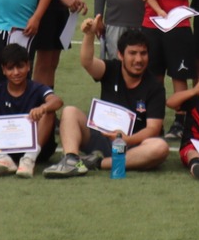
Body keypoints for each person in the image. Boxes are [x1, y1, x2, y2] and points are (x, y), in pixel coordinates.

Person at [45, 28, 170, 178]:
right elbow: (87, 61)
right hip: (100, 137)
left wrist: (128, 139)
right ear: (120, 54)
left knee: (160, 148)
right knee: (70, 111)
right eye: (132, 53)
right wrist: (89, 35)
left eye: (143, 53)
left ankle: (98, 163)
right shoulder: (111, 69)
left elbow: (153, 129)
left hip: (130, 146)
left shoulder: (155, 87)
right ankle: (71, 160)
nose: (138, 59)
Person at [0, 42, 63, 177]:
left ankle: (29, 159)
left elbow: (57, 101)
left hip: (38, 150)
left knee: (49, 112)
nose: (16, 72)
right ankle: (2, 158)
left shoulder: (37, 88)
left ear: (28, 66)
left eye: (20, 67)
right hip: (5, 147)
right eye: (10, 68)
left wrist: (43, 107)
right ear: (3, 70)